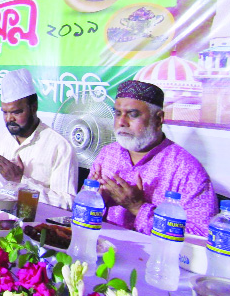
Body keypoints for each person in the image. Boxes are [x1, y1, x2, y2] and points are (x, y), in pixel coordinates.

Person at [91, 80, 218, 236]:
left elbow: (202, 236)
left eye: (132, 114)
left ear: (158, 119)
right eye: (117, 113)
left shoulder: (188, 170)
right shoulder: (108, 154)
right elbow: (82, 212)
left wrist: (138, 208)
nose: (121, 122)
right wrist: (94, 199)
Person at [0, 69, 78, 210]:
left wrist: (20, 181)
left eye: (16, 112)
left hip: (37, 225)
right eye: (5, 112)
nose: (9, 119)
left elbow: (67, 203)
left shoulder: (59, 147)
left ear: (33, 107)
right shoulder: (0, 138)